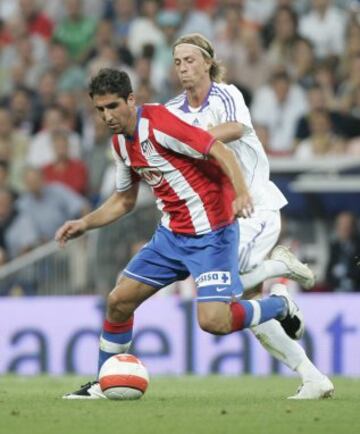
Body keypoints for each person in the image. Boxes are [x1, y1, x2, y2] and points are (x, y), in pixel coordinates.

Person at [56, 68, 304, 399]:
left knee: (214, 322)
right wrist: (84, 223)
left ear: (131, 99)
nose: (107, 116)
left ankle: (279, 304)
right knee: (118, 301)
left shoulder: (160, 123)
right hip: (171, 236)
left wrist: (242, 193)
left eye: (113, 106)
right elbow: (124, 200)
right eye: (100, 109)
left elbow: (221, 150)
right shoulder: (120, 144)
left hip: (213, 234)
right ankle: (103, 382)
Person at [168, 33, 333, 399]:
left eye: (190, 60)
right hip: (220, 219)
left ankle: (280, 275)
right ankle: (313, 377)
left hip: (254, 205)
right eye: (177, 61)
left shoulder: (227, 95)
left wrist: (191, 139)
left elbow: (234, 129)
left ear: (208, 62)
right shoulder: (173, 109)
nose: (183, 67)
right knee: (244, 308)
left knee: (229, 291)